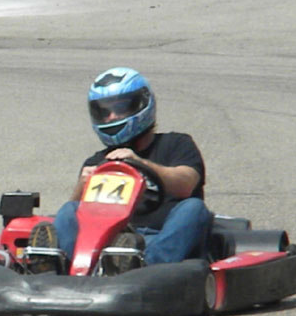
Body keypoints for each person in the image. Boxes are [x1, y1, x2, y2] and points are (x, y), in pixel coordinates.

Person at [31, 67, 212, 273]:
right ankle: (56, 264)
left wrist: (142, 165)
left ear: (141, 104)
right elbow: (79, 213)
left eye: (120, 108)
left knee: (194, 208)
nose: (111, 117)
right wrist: (82, 187)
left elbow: (186, 185)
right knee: (68, 209)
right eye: (104, 111)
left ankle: (146, 267)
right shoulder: (98, 161)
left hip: (160, 237)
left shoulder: (177, 143)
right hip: (107, 240)